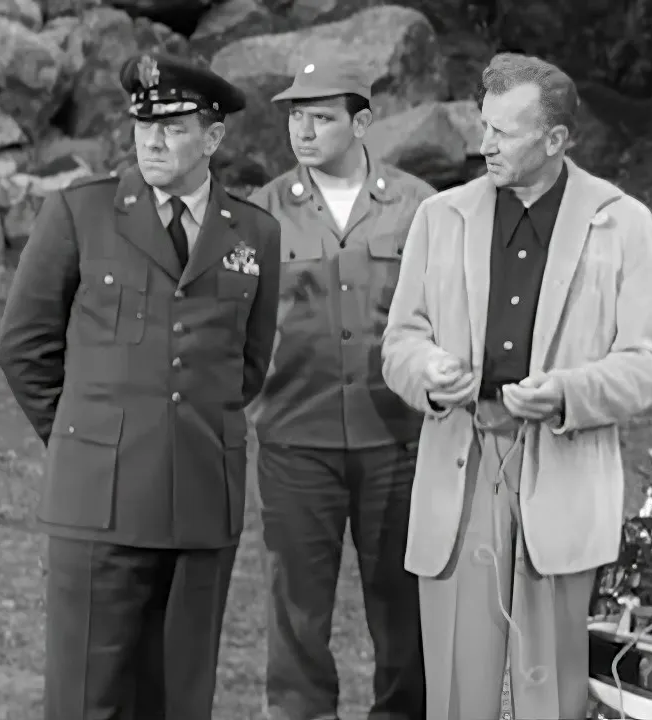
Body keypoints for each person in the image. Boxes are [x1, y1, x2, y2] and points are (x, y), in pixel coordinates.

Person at [382, 52, 652, 720]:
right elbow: (399, 341)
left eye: (503, 132)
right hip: (462, 465)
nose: (484, 143)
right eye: (483, 125)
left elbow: (648, 362)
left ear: (554, 140)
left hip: (562, 468)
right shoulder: (439, 217)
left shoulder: (623, 222)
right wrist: (428, 373)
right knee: (458, 689)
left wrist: (568, 393)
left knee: (553, 689)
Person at [0, 53, 281, 719]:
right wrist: (86, 439)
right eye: (144, 126)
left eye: (174, 128)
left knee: (179, 699)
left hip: (200, 500)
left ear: (213, 137)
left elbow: (247, 364)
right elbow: (24, 347)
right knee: (85, 699)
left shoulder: (254, 233)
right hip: (98, 502)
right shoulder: (80, 213)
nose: (153, 141)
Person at [247, 58, 434, 720]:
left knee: (405, 609)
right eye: (295, 116)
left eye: (321, 117)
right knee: (296, 611)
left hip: (398, 441)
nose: (303, 130)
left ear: (361, 123)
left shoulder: (420, 207)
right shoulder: (261, 211)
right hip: (297, 440)